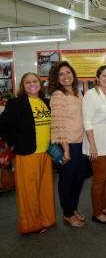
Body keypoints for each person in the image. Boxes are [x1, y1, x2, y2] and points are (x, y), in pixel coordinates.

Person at [0, 73, 56, 234]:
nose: (32, 84)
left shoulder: (46, 102)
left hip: (46, 153)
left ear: (40, 84)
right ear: (23, 86)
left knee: (45, 190)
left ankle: (46, 219)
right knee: (29, 191)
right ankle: (31, 224)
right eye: (27, 82)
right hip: (27, 153)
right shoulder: (16, 104)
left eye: (35, 81)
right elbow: (2, 125)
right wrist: (14, 143)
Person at [49, 61, 88, 228]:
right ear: (56, 79)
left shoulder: (78, 93)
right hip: (69, 144)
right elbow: (58, 124)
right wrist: (65, 150)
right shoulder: (58, 95)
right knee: (67, 180)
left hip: (81, 142)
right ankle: (67, 213)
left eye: (68, 72)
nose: (66, 76)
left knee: (79, 179)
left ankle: (73, 207)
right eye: (61, 74)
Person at [82, 65, 106, 224]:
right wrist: (93, 146)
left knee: (105, 177)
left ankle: (104, 206)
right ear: (97, 77)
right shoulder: (91, 94)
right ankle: (96, 213)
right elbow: (87, 121)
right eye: (104, 75)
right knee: (98, 178)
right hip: (95, 140)